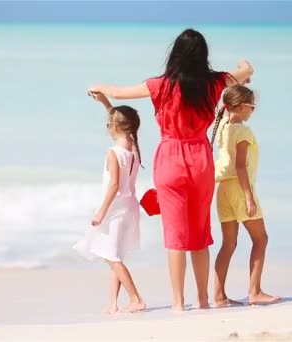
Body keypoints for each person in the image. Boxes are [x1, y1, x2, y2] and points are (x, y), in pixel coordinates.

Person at [87, 28, 253, 311]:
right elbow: (247, 70)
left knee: (175, 236)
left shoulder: (159, 85)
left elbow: (118, 91)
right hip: (200, 158)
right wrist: (243, 66)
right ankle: (202, 300)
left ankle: (178, 303)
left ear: (175, 54)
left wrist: (100, 86)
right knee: (200, 234)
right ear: (203, 56)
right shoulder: (215, 83)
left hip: (170, 159)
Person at [73, 92, 146, 314]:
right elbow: (121, 118)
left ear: (114, 127)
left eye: (108, 124)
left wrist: (100, 213)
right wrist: (106, 103)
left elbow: (114, 186)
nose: (107, 127)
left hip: (116, 208)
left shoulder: (114, 152)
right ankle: (113, 303)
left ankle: (136, 298)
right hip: (130, 206)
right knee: (115, 254)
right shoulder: (132, 147)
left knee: (111, 255)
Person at [210, 84, 281, 306]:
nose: (253, 110)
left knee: (228, 243)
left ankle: (219, 296)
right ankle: (255, 292)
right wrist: (249, 198)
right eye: (252, 106)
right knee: (261, 239)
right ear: (240, 107)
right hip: (240, 189)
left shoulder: (222, 126)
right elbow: (240, 167)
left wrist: (242, 77)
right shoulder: (242, 131)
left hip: (222, 190)